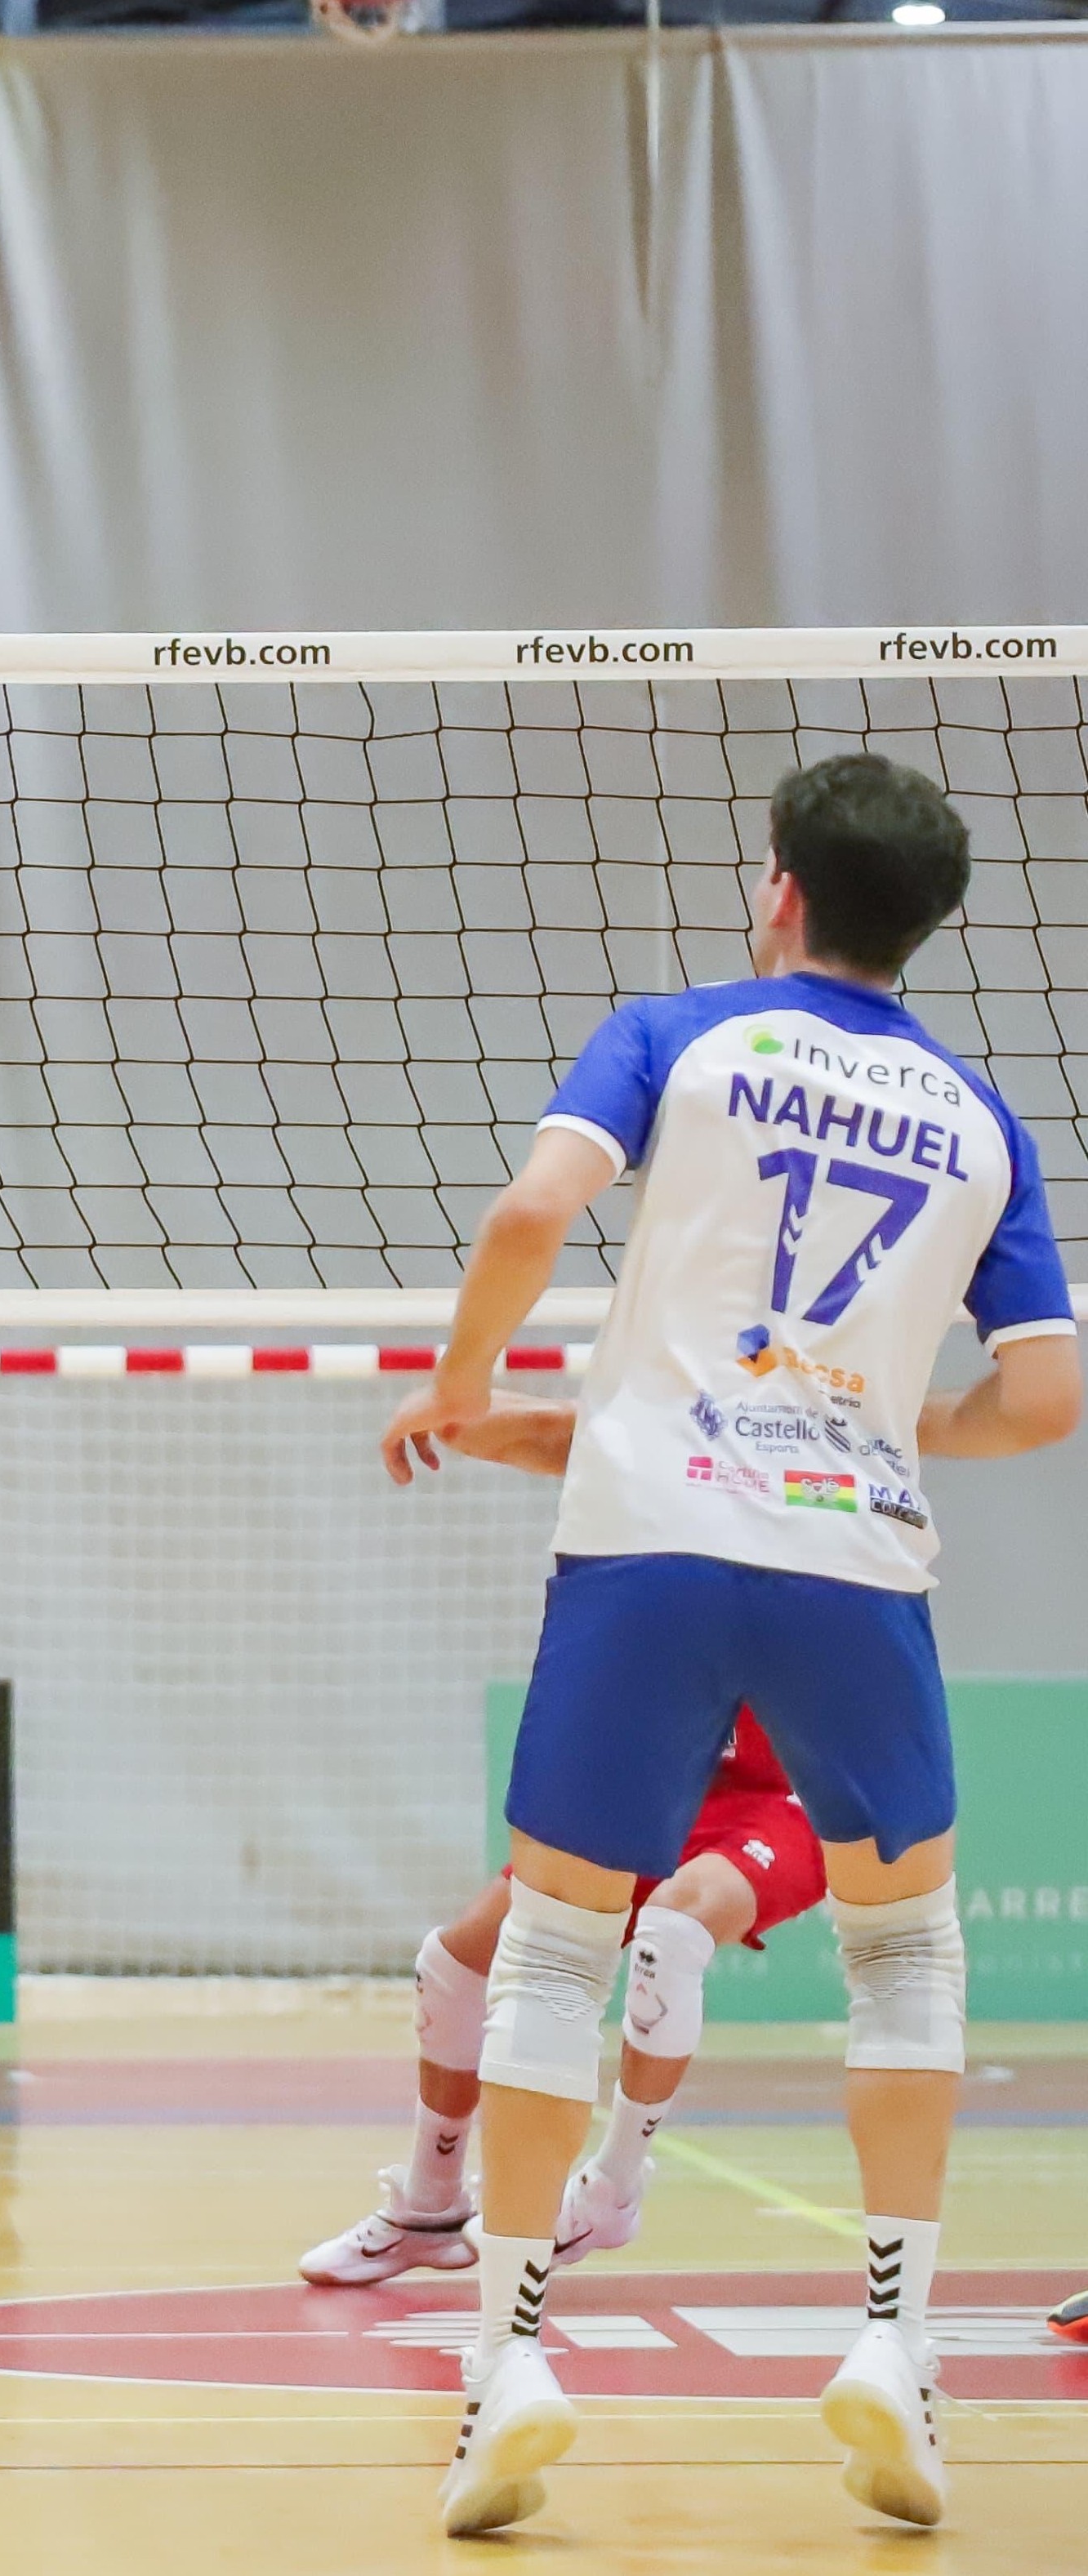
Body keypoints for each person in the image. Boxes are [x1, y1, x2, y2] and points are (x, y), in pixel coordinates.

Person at [381, 753, 1080, 2538]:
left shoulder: (673, 1034)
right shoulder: (979, 1118)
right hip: (850, 1555)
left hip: (646, 1546)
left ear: (776, 886)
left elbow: (527, 1215)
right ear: (924, 923)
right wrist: (883, 1432)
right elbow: (1044, 1395)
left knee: (554, 1951)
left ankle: (506, 2361)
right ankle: (892, 2340)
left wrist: (457, 1384)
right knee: (901, 1953)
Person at [305, 1392, 827, 2284]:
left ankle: (614, 2188)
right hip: (659, 1786)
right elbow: (563, 1432)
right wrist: (450, 1407)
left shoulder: (813, 1476)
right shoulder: (659, 1446)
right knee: (455, 1963)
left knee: (671, 1934)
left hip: (787, 1793)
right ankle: (429, 2204)